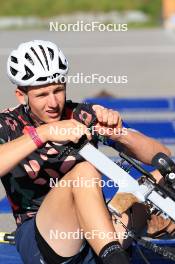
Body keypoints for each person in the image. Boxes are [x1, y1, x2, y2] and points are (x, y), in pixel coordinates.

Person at [0, 40, 171, 264]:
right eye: (42, 95)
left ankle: (117, 248)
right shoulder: (8, 124)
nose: (53, 103)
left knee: (165, 178)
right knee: (85, 172)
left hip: (96, 232)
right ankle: (116, 258)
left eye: (58, 90)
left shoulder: (81, 115)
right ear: (21, 96)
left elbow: (162, 157)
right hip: (47, 239)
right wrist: (44, 133)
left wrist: (120, 134)